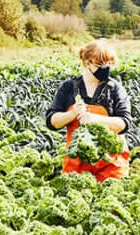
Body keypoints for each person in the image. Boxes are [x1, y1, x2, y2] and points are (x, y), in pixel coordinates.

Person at [46, 39, 132, 181]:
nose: (106, 68)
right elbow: (51, 121)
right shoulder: (68, 88)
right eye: (101, 64)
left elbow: (125, 123)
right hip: (77, 164)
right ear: (87, 63)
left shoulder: (115, 89)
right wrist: (72, 114)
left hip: (111, 165)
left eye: (109, 64)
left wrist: (96, 119)